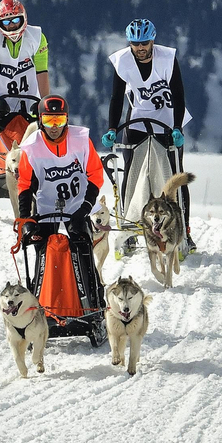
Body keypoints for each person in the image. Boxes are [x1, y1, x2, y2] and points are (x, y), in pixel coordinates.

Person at [102, 18, 196, 253]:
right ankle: (130, 229)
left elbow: (178, 95)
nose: (140, 48)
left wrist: (177, 128)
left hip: (168, 120)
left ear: (152, 41)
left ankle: (184, 230)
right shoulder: (122, 61)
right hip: (137, 120)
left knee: (174, 177)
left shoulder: (167, 58)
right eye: (135, 43)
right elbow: (116, 98)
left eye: (144, 43)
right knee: (132, 174)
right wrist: (112, 128)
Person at [15, 94, 105, 309]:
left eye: (59, 120)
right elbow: (25, 184)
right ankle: (40, 306)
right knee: (42, 251)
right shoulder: (31, 147)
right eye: (48, 121)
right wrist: (25, 218)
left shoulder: (81, 140)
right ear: (40, 121)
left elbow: (96, 174)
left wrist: (85, 208)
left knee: (83, 248)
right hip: (47, 206)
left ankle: (94, 304)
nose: (54, 127)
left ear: (67, 119)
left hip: (79, 204)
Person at [0, 0, 49, 204]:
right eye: (6, 23)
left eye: (16, 20)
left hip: (29, 98)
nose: (12, 26)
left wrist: (45, 102)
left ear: (24, 19)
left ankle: (45, 189)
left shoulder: (38, 38)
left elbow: (42, 72)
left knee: (42, 143)